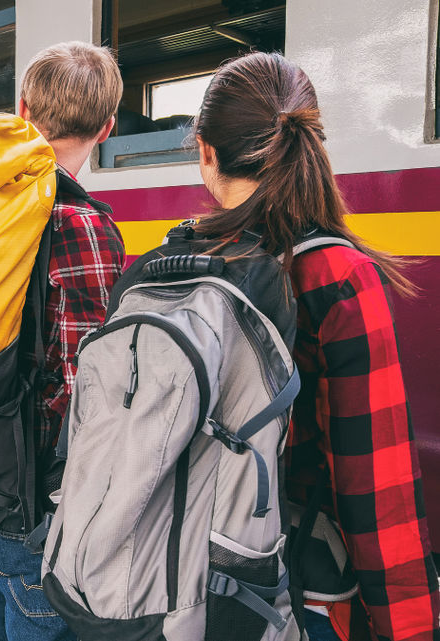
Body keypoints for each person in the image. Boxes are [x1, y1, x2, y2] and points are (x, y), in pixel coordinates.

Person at [192, 51, 440, 641]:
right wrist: (409, 626)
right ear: (310, 141)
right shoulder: (337, 275)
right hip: (294, 586)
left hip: (181, 576)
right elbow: (375, 481)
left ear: (205, 151)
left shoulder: (187, 267)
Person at [0, 42, 126, 641]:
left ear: (21, 107)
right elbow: (81, 381)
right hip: (30, 495)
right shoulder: (81, 225)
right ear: (108, 126)